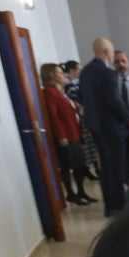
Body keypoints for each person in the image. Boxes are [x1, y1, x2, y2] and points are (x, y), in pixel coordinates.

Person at [80, 38, 129, 216]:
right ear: (106, 52)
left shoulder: (85, 71)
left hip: (95, 126)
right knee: (117, 167)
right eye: (111, 52)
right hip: (112, 127)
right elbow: (114, 101)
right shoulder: (106, 72)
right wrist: (128, 118)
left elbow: (84, 98)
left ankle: (109, 205)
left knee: (106, 167)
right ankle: (119, 205)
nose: (112, 56)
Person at [40, 62, 96, 205]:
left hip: (74, 132)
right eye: (60, 72)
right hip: (66, 135)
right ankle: (71, 194)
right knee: (67, 166)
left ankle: (81, 191)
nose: (64, 75)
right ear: (51, 75)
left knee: (79, 164)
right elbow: (53, 116)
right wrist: (61, 136)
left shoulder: (60, 91)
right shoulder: (49, 92)